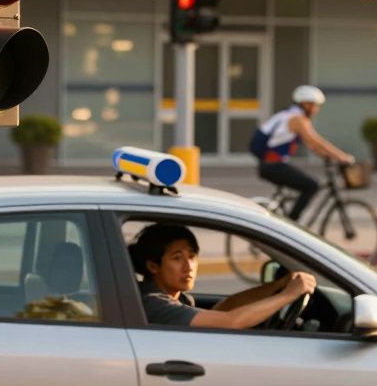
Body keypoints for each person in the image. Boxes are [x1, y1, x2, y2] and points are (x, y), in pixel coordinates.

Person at [131, 223, 316, 329]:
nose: (188, 266)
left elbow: (222, 310)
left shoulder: (178, 299)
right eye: (177, 258)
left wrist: (278, 285)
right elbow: (231, 321)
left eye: (192, 256)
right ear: (153, 266)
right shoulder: (154, 303)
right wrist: (288, 295)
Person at [248, 85, 354, 222]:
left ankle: (288, 220)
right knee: (311, 186)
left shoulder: (289, 115)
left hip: (271, 165)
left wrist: (326, 157)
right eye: (313, 105)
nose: (316, 109)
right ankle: (291, 224)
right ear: (304, 104)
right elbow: (316, 141)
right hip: (273, 166)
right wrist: (342, 157)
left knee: (305, 185)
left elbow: (313, 147)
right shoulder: (297, 119)